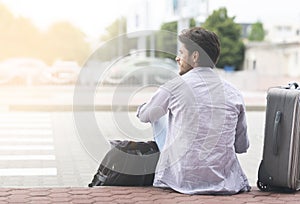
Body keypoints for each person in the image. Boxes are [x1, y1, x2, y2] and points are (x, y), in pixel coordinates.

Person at [136, 27, 250, 194]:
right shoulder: (234, 93)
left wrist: (146, 107)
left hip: (181, 179)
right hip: (225, 182)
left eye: (181, 53)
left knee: (157, 115)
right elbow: (241, 146)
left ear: (195, 56)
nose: (177, 58)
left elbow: (145, 116)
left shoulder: (175, 87)